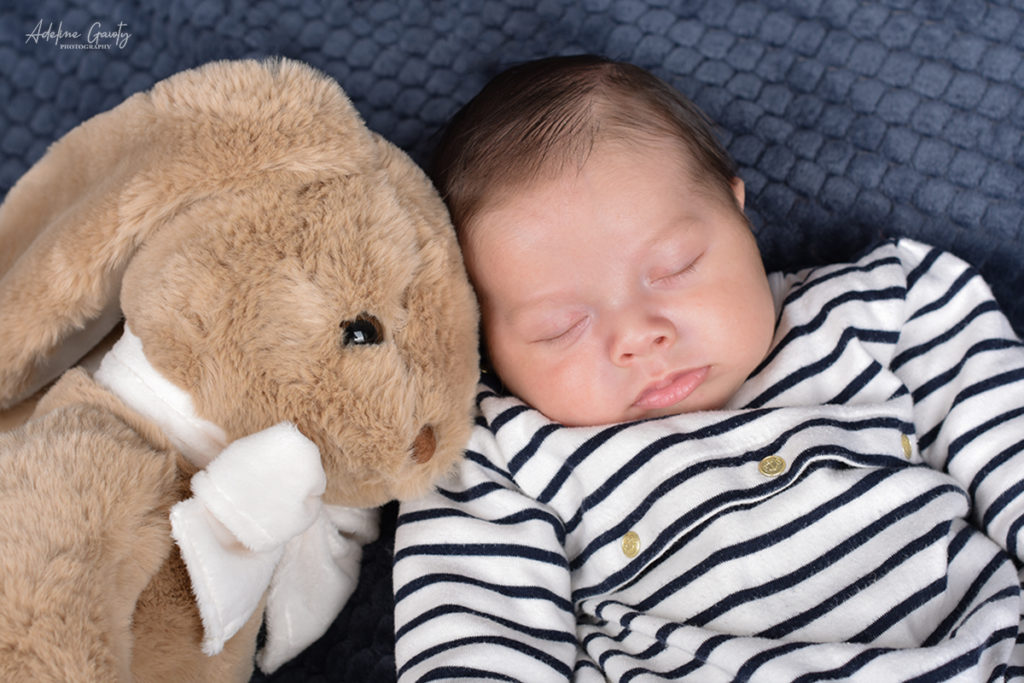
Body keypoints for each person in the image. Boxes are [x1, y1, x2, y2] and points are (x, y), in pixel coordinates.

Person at [392, 54, 1024, 681]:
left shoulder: (880, 308)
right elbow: (474, 640)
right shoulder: (502, 455)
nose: (638, 336)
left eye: (674, 268)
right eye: (560, 326)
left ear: (737, 211)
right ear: (485, 341)